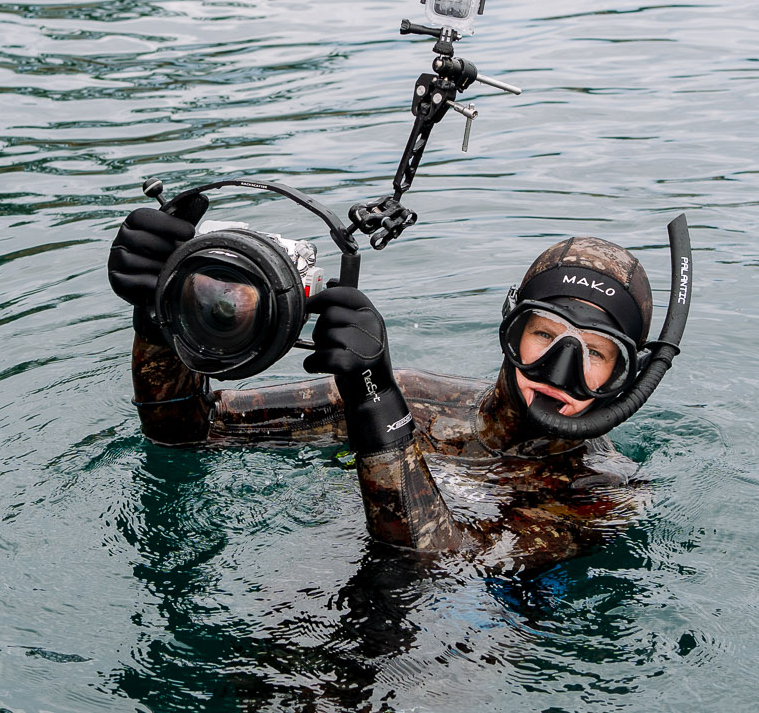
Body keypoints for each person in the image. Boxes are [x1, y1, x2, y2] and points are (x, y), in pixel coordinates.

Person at [107, 196, 652, 568]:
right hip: (303, 594)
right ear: (510, 330)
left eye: (596, 353)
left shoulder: (605, 496)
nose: (560, 371)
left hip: (443, 658)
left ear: (628, 376)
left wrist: (378, 412)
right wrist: (164, 318)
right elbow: (187, 431)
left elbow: (436, 563)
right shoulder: (420, 400)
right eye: (544, 335)